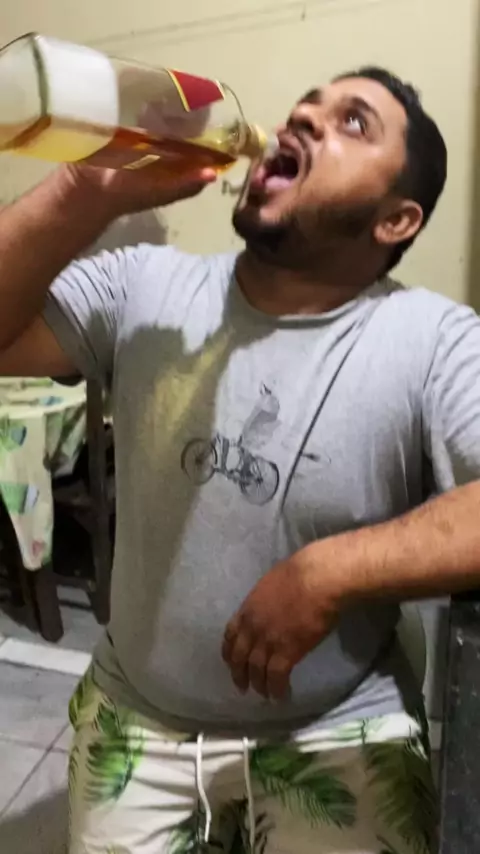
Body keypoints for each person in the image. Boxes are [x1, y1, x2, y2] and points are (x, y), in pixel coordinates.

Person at [1, 65, 478, 854]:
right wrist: (85, 191)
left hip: (338, 727)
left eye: (353, 123)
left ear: (396, 219)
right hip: (139, 718)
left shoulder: (436, 340)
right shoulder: (144, 285)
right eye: (308, 105)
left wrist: (333, 571)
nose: (304, 117)